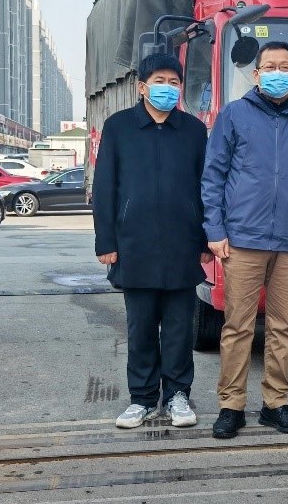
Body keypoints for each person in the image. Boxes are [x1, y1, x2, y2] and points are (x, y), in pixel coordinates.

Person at [201, 41, 288, 438]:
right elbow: (214, 175)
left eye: (284, 67)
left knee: (283, 326)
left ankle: (276, 403)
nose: (277, 73)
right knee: (237, 326)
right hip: (243, 238)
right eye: (269, 66)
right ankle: (231, 405)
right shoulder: (234, 114)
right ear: (256, 74)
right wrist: (215, 230)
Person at [92, 54, 210, 430]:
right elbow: (104, 187)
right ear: (142, 86)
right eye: (160, 81)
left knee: (179, 329)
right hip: (135, 245)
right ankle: (142, 399)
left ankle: (177, 395)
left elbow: (205, 188)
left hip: (182, 245)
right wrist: (105, 241)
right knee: (140, 328)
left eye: (174, 82)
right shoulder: (119, 127)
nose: (167, 88)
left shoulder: (193, 130)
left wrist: (205, 239)